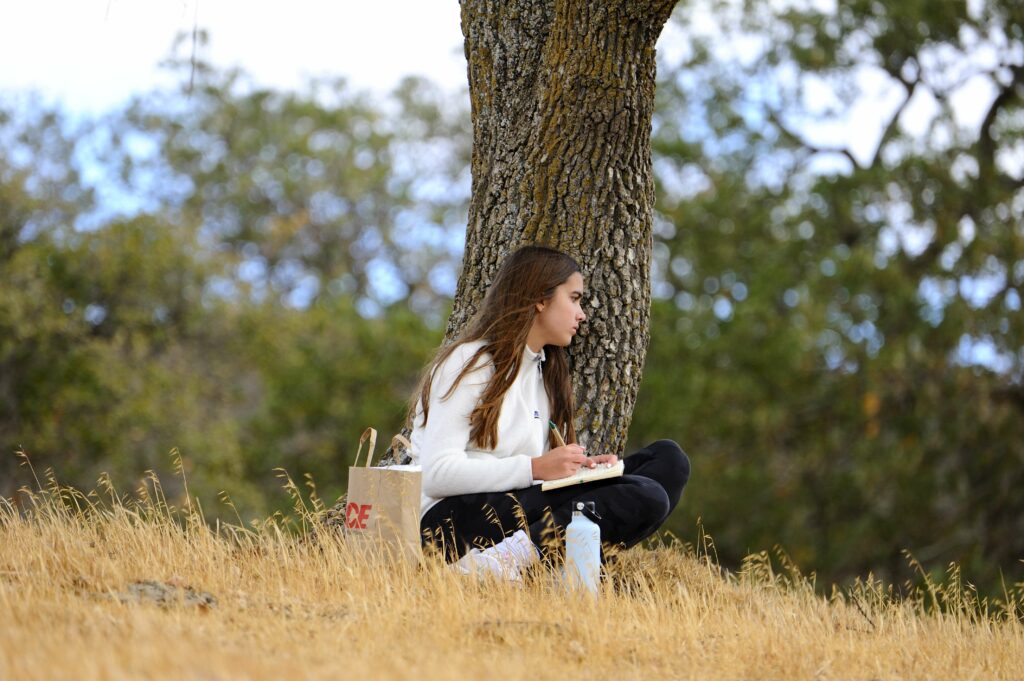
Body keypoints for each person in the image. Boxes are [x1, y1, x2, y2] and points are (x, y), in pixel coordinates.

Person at [408, 244, 690, 581]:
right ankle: (497, 567)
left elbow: (535, 479)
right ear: (540, 299)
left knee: (668, 460)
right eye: (574, 298)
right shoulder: (470, 364)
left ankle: (541, 565)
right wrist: (537, 468)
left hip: (511, 508)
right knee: (646, 496)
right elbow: (436, 473)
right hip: (448, 523)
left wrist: (579, 471)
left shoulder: (543, 373)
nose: (582, 313)